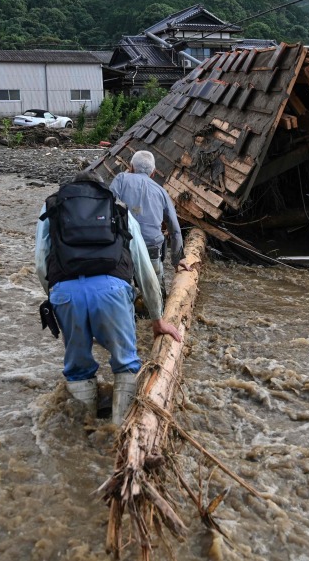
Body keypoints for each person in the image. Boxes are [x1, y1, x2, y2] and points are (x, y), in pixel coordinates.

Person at [35, 170, 181, 427]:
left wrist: (57, 300)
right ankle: (119, 434)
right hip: (113, 291)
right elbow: (144, 269)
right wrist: (158, 318)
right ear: (102, 188)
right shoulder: (118, 208)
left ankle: (81, 438)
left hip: (65, 292)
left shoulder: (53, 208)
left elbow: (40, 263)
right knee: (125, 363)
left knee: (78, 368)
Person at [109, 151, 192, 295]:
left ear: (131, 167)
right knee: (156, 293)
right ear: (153, 172)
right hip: (152, 248)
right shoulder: (161, 192)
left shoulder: (121, 179)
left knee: (122, 291)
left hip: (123, 247)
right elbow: (174, 228)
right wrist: (178, 258)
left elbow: (107, 205)